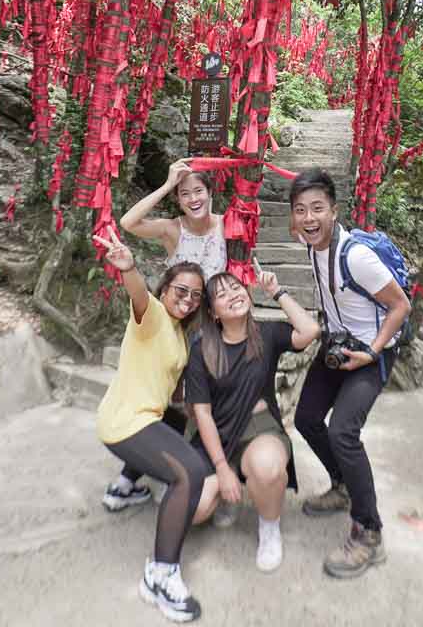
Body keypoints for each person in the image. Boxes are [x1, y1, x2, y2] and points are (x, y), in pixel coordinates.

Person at [289, 168, 411, 578]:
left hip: (371, 353)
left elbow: (401, 307)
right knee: (306, 418)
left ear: (334, 210)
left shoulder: (355, 256)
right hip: (338, 345)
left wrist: (373, 351)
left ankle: (369, 531)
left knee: (343, 431)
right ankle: (342, 485)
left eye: (318, 208)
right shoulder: (311, 243)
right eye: (301, 210)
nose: (309, 218)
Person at [94, 227, 208, 622]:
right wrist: (129, 269)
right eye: (181, 290)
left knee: (174, 419)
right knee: (189, 473)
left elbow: (173, 392)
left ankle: (123, 486)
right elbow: (139, 295)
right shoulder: (154, 314)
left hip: (131, 418)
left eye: (196, 295)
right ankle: (160, 573)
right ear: (166, 288)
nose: (188, 300)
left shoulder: (178, 332)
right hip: (127, 423)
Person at [102, 159, 228, 513]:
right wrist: (167, 182)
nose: (193, 198)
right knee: (165, 402)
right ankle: (167, 477)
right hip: (171, 328)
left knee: (200, 405)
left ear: (210, 193)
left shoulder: (226, 225)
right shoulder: (173, 229)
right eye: (184, 194)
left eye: (198, 191)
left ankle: (196, 479)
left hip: (210, 330)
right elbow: (128, 223)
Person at [185, 269, 320, 572]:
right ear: (212, 312)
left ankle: (269, 527)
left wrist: (276, 291)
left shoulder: (266, 334)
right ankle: (224, 488)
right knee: (193, 510)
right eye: (222, 295)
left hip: (258, 429)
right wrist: (221, 468)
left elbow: (310, 331)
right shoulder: (201, 347)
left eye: (236, 288)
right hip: (214, 433)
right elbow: (202, 414)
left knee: (268, 468)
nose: (233, 295)